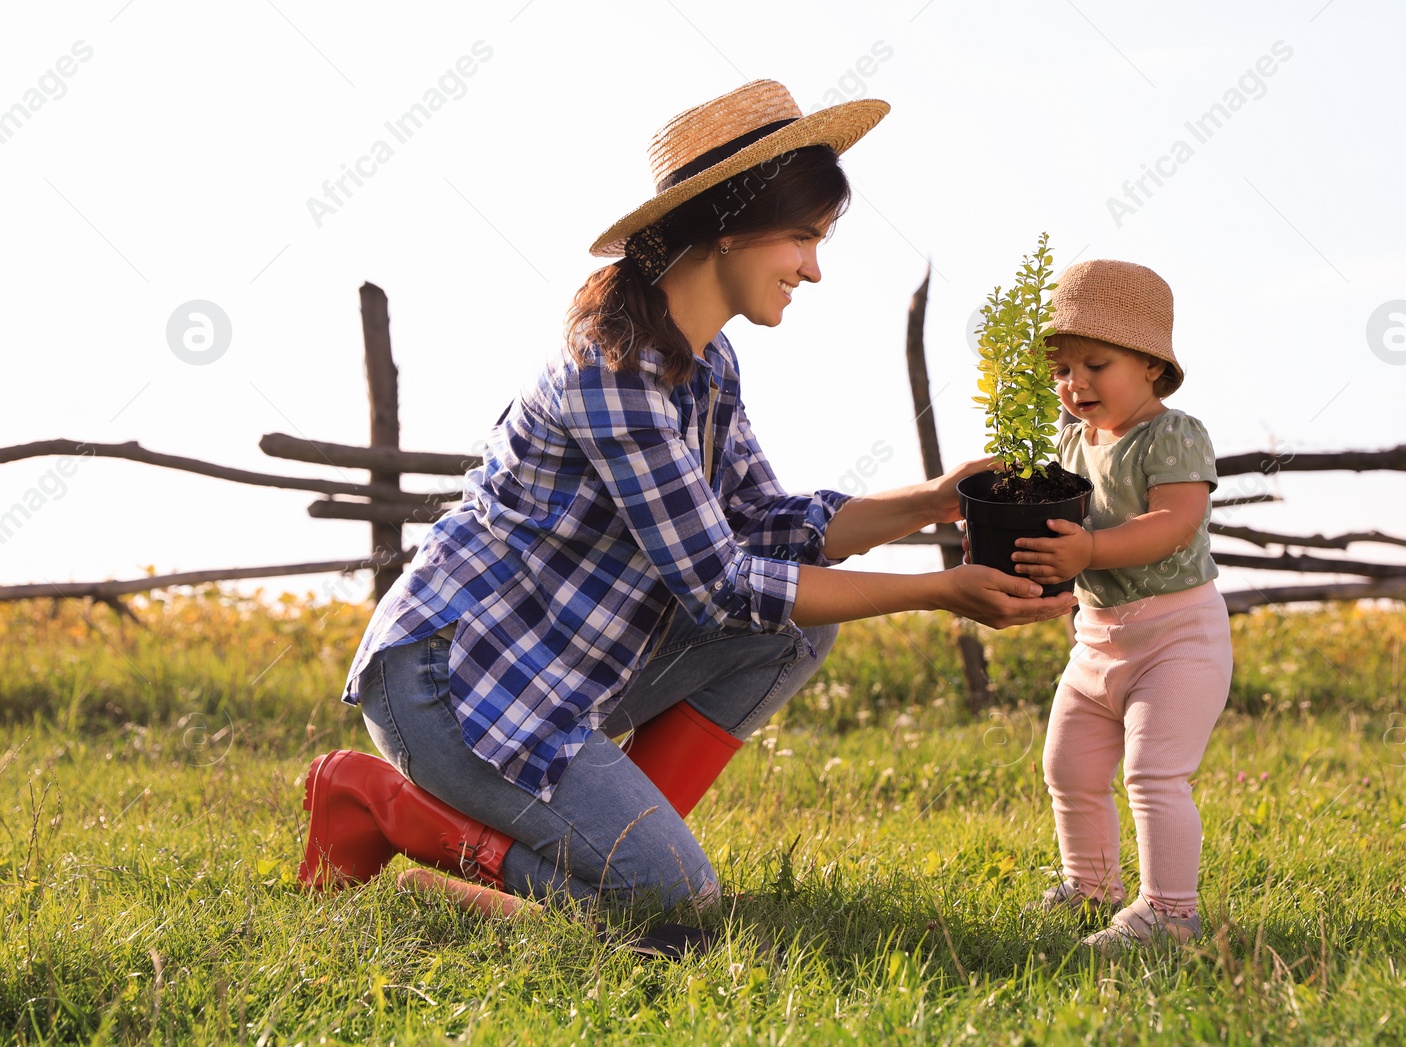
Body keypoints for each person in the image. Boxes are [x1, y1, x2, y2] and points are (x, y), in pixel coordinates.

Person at [295, 79, 1074, 913]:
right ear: (730, 229)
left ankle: (616, 855)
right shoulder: (613, 368)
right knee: (679, 911)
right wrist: (939, 591)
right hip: (459, 687)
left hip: (565, 678)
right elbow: (727, 585)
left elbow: (766, 526)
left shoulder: (707, 363)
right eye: (803, 239)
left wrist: (933, 499)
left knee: (798, 636)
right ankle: (390, 807)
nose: (814, 268)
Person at [1006, 259, 1232, 951]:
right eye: (1062, 370)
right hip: (1097, 640)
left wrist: (1088, 554)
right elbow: (1056, 515)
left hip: (1177, 638)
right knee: (1067, 766)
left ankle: (1171, 913)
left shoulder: (1173, 435)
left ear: (1152, 366)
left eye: (1094, 364)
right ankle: (1092, 884)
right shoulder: (1074, 438)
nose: (1074, 385)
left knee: (1153, 772)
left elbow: (1174, 522)